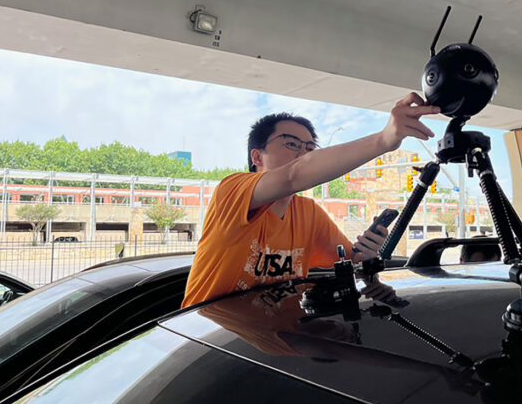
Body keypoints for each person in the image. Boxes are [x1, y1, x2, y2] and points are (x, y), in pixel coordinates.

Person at [182, 92, 440, 307]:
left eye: (309, 148)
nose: (304, 154)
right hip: (209, 341)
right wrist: (384, 139)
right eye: (292, 144)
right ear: (257, 157)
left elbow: (351, 262)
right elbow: (295, 175)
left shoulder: (308, 213)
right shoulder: (232, 190)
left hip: (282, 343)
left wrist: (368, 252)